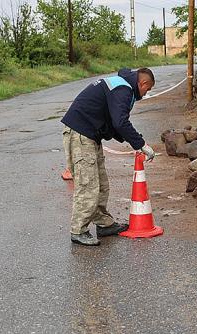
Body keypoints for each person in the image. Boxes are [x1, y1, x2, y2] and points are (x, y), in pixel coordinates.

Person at [61, 67, 156, 246]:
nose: (146, 93)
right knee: (88, 185)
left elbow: (114, 123)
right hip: (80, 135)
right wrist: (141, 144)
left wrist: (135, 141)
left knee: (102, 184)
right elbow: (120, 122)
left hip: (90, 135)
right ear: (142, 83)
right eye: (147, 89)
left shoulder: (122, 86)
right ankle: (78, 230)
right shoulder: (123, 89)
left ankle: (104, 224)